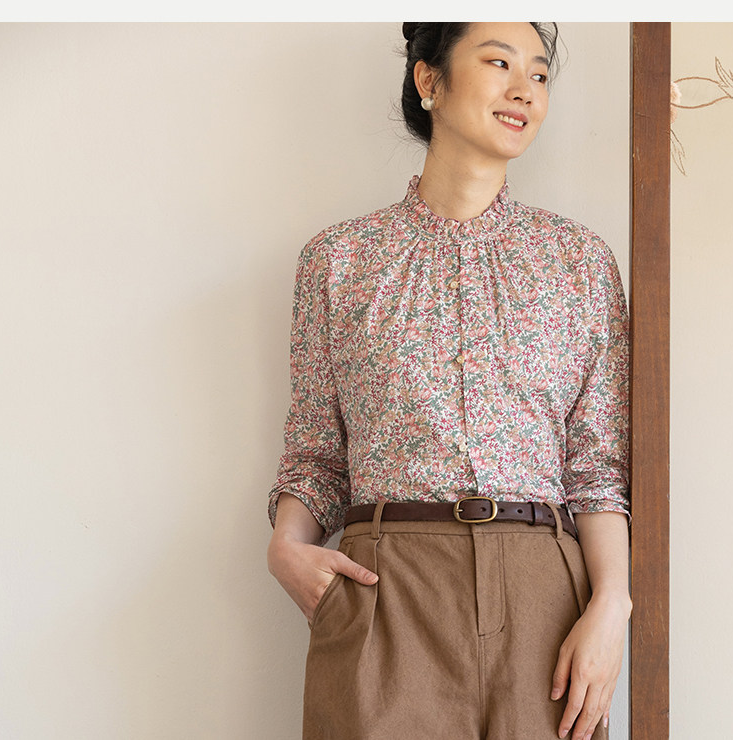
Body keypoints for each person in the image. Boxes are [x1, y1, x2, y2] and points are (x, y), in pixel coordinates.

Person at [266, 22, 631, 740]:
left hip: (545, 597)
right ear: (429, 80)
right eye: (499, 63)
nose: (524, 90)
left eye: (539, 74)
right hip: (386, 593)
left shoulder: (579, 262)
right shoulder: (339, 261)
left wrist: (610, 606)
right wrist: (286, 547)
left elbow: (597, 467)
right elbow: (316, 452)